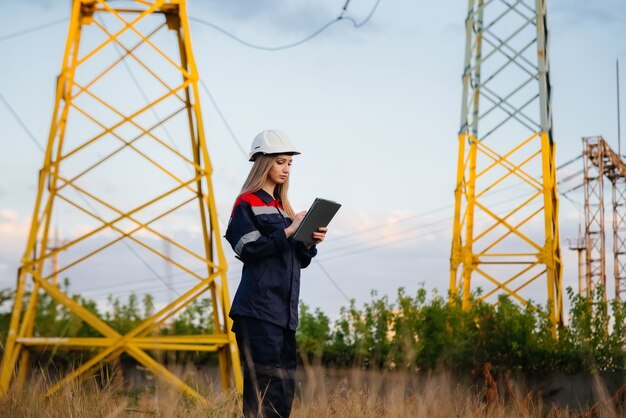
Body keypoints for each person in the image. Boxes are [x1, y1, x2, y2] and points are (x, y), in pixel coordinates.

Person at [225, 129, 327, 418]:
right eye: (280, 161)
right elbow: (248, 249)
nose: (286, 169)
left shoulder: (284, 209)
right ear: (263, 162)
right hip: (257, 311)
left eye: (289, 163)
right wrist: (289, 231)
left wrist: (307, 242)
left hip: (284, 316)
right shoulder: (247, 202)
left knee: (283, 394)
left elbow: (297, 261)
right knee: (263, 391)